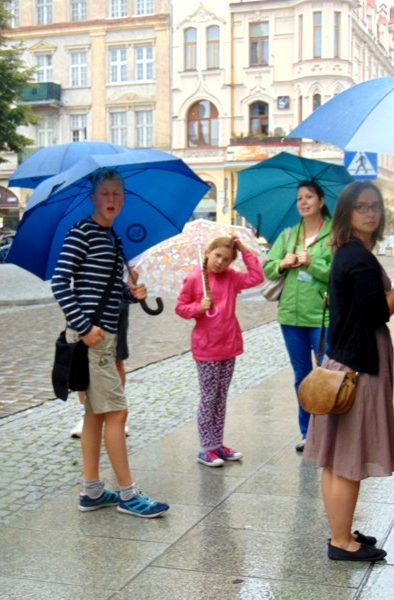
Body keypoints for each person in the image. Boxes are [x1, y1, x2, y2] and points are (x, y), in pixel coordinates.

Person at [304, 181, 394, 562]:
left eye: (375, 207)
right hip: (356, 367)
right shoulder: (356, 257)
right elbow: (378, 313)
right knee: (347, 460)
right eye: (362, 207)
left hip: (343, 361)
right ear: (347, 213)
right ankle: (341, 542)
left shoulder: (348, 251)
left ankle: (342, 530)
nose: (370, 213)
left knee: (336, 458)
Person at [51, 168, 169, 518]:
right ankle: (128, 495)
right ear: (93, 197)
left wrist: (132, 294)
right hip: (93, 340)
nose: (112, 199)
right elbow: (60, 283)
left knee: (95, 415)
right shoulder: (82, 233)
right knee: (117, 412)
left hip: (105, 337)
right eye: (105, 193)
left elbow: (106, 292)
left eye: (118, 193)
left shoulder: (113, 239)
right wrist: (84, 326)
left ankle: (91, 492)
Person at [175, 235, 263, 467]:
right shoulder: (196, 278)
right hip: (207, 348)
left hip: (228, 344)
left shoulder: (231, 278)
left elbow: (257, 277)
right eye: (217, 256)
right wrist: (197, 307)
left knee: (221, 397)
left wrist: (244, 250)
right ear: (208, 252)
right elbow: (180, 307)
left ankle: (217, 443)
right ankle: (205, 448)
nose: (220, 263)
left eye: (226, 259)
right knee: (209, 397)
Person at [262, 180, 332, 452]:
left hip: (322, 316)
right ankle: (307, 431)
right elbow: (267, 269)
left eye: (309, 197)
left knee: (325, 374)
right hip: (291, 316)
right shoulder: (289, 235)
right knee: (302, 375)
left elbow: (336, 272)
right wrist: (282, 263)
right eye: (300, 198)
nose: (303, 202)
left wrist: (312, 263)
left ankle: (327, 430)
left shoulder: (333, 234)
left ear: (321, 201)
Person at [71, 299, 129, 439]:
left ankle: (113, 412)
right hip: (84, 307)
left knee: (116, 360)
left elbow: (129, 282)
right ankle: (85, 413)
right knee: (83, 364)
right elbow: (60, 284)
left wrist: (130, 291)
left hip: (115, 306)